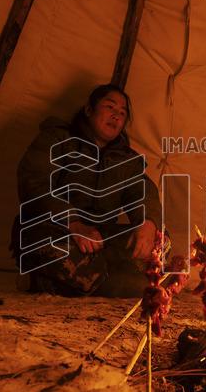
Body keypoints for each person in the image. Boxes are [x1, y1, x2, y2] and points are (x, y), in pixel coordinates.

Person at [10, 84, 163, 297]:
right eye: (110, 107)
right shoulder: (58, 140)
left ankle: (88, 280)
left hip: (99, 239)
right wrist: (73, 223)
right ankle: (56, 280)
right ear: (89, 109)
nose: (116, 116)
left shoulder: (126, 159)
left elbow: (144, 191)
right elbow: (34, 183)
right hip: (52, 231)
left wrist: (148, 223)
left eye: (122, 113)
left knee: (160, 244)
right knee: (53, 250)